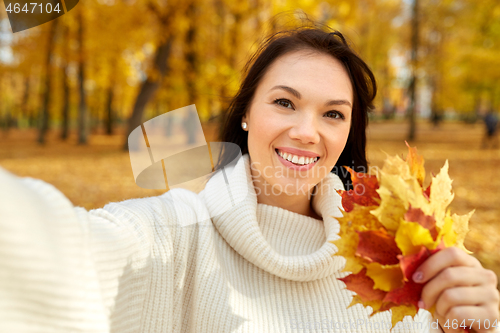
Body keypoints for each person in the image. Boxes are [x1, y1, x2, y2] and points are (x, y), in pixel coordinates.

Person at [1, 22, 499, 333]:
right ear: (245, 115)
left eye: (333, 114)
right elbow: (59, 249)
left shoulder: (397, 256)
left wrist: (473, 325)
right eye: (284, 102)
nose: (306, 132)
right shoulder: (178, 230)